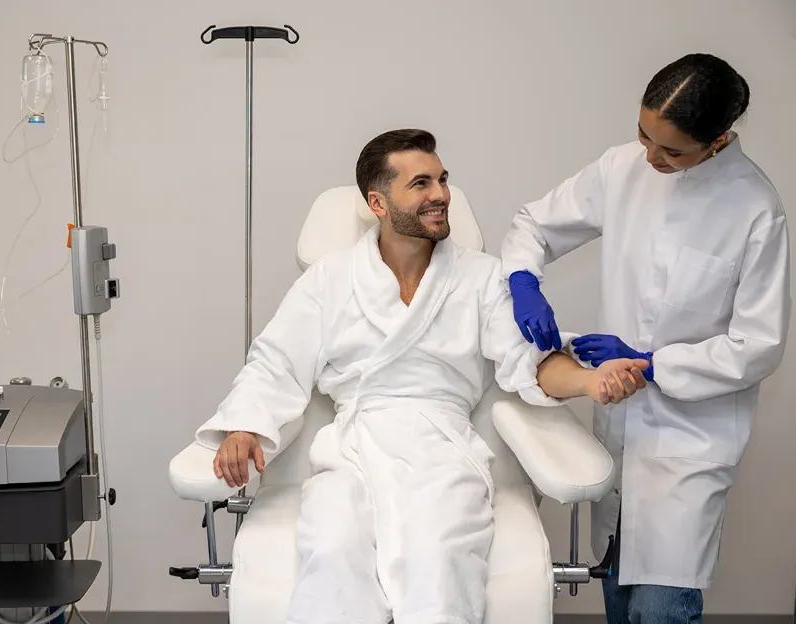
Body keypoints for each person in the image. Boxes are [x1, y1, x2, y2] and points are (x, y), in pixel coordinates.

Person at [194, 129, 649, 624]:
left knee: (439, 560)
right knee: (333, 546)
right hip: (352, 453)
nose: (441, 194)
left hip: (443, 453)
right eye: (421, 184)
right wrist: (244, 427)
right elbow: (276, 362)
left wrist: (591, 382)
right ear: (378, 203)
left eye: (442, 180)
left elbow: (532, 363)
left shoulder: (482, 277)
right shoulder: (329, 278)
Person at [500, 53, 791, 623]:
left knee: (661, 604)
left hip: (691, 438)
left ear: (718, 140)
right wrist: (523, 281)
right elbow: (534, 224)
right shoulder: (622, 168)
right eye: (644, 135)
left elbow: (758, 345)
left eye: (672, 151)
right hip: (617, 422)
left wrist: (653, 363)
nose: (651, 158)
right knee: (618, 593)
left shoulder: (756, 210)